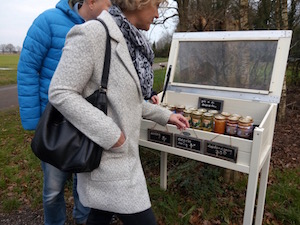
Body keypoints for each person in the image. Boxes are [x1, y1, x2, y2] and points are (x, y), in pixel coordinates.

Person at [48, 0, 189, 224]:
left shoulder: (131, 43)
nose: (156, 14)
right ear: (138, 3)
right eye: (155, 5)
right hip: (108, 158)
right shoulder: (92, 34)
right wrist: (113, 136)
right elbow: (60, 92)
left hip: (121, 158)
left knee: (100, 214)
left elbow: (127, 99)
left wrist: (165, 115)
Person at [17, 0, 111, 224]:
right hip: (54, 123)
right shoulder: (48, 21)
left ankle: (83, 220)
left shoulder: (104, 29)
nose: (111, 7)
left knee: (86, 187)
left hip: (89, 122)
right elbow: (28, 68)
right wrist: (35, 121)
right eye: (107, 2)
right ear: (91, 2)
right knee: (52, 190)